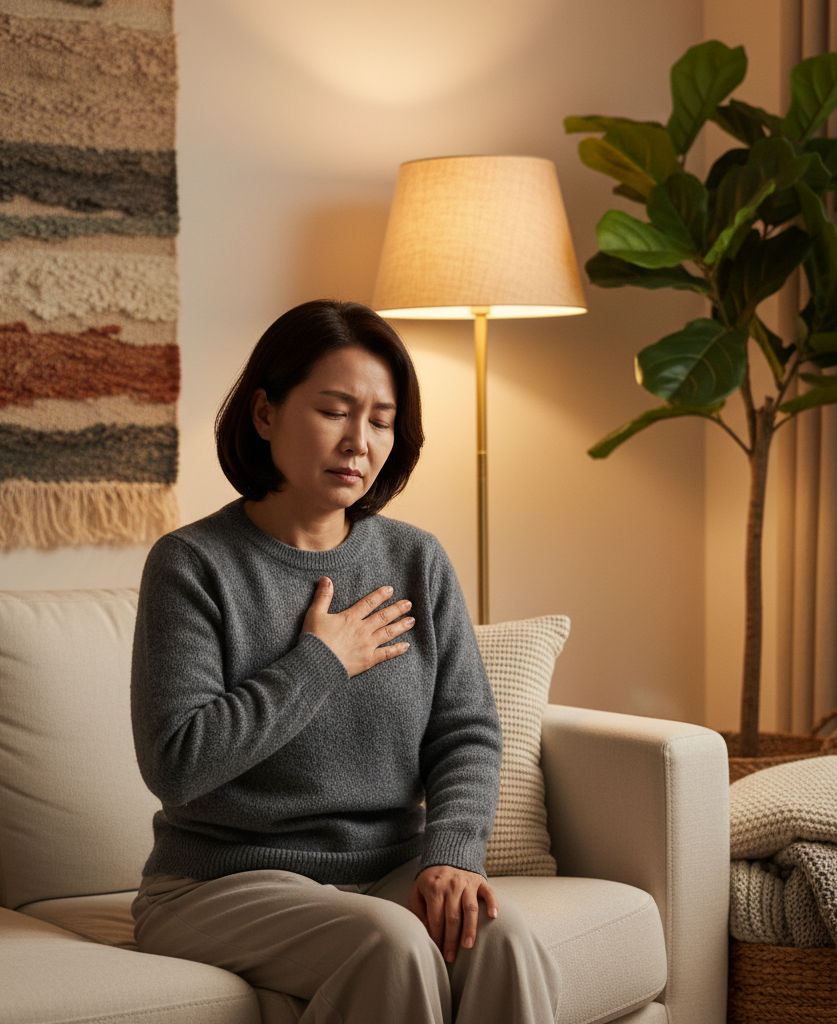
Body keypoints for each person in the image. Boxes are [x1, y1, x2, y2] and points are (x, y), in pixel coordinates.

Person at [129, 300, 560, 1023]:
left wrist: (452, 852)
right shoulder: (193, 565)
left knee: (503, 938)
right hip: (217, 884)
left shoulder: (414, 560)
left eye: (382, 420)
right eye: (334, 411)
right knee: (393, 945)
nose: (359, 442)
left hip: (384, 872)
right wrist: (321, 662)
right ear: (265, 414)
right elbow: (176, 761)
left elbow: (467, 732)